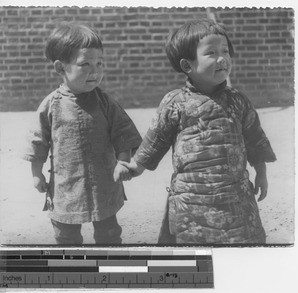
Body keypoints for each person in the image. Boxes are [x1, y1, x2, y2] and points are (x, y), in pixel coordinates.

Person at [115, 19, 276, 245]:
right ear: (187, 66)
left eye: (225, 51)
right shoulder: (176, 103)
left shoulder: (238, 101)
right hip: (192, 199)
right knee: (192, 247)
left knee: (241, 245)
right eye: (211, 52)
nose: (222, 58)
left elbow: (255, 138)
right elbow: (156, 140)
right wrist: (135, 167)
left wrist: (262, 171)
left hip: (234, 196)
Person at [22, 22, 142, 245]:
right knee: (65, 234)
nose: (95, 71)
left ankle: (110, 266)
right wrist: (36, 173)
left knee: (109, 232)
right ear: (61, 68)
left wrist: (123, 162)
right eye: (85, 64)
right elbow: (38, 141)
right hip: (66, 184)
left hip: (104, 181)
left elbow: (122, 133)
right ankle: (71, 267)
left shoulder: (105, 102)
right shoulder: (52, 105)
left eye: (99, 63)